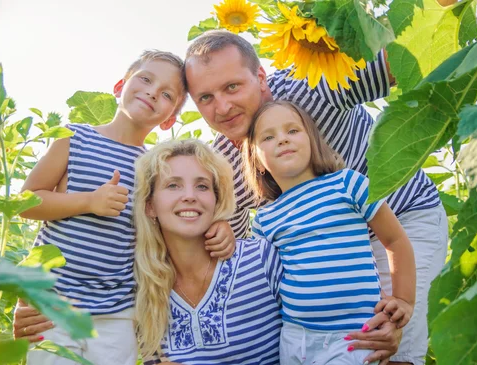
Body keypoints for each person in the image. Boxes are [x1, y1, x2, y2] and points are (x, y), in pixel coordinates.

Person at [184, 30, 448, 365]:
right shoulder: (224, 169)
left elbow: (403, 55)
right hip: (324, 261)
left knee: (384, 339)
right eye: (205, 98)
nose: (222, 107)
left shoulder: (310, 85)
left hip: (400, 219)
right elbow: (236, 252)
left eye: (232, 86)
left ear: (261, 76)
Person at [16, 51, 234, 364]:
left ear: (169, 119)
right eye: (145, 79)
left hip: (117, 310)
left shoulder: (156, 166)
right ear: (120, 85)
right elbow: (26, 202)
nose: (151, 92)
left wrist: (219, 225)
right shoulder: (73, 137)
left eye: (166, 94)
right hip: (53, 304)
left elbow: (175, 222)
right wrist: (89, 201)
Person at [242, 100, 416, 365]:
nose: (282, 140)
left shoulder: (348, 183)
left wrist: (404, 299)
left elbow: (395, 240)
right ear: (257, 161)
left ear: (312, 140)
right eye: (268, 136)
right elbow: (266, 283)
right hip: (294, 337)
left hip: (353, 337)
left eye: (292, 131)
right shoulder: (265, 218)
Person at [133, 139, 283, 364]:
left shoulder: (261, 259)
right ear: (150, 205)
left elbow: (317, 339)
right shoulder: (144, 288)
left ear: (216, 200)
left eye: (202, 186)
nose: (190, 196)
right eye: (173, 185)